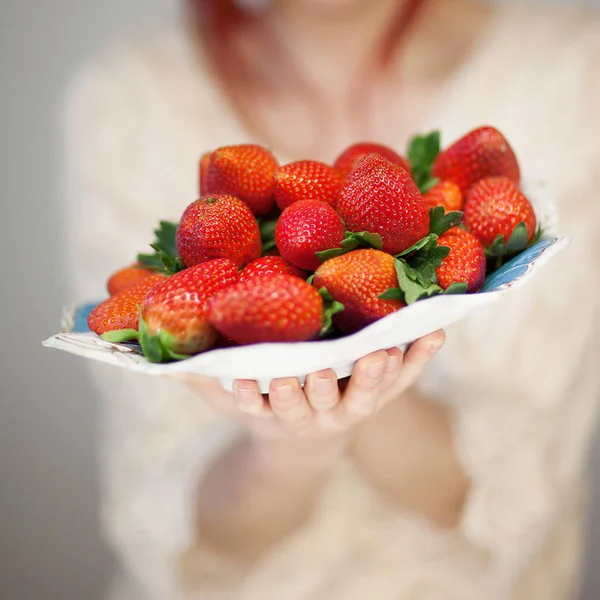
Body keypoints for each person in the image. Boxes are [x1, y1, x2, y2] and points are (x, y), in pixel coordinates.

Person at [62, 0, 600, 598]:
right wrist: (291, 448)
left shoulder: (571, 69)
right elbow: (181, 529)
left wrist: (355, 375)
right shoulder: (130, 96)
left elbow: (522, 493)